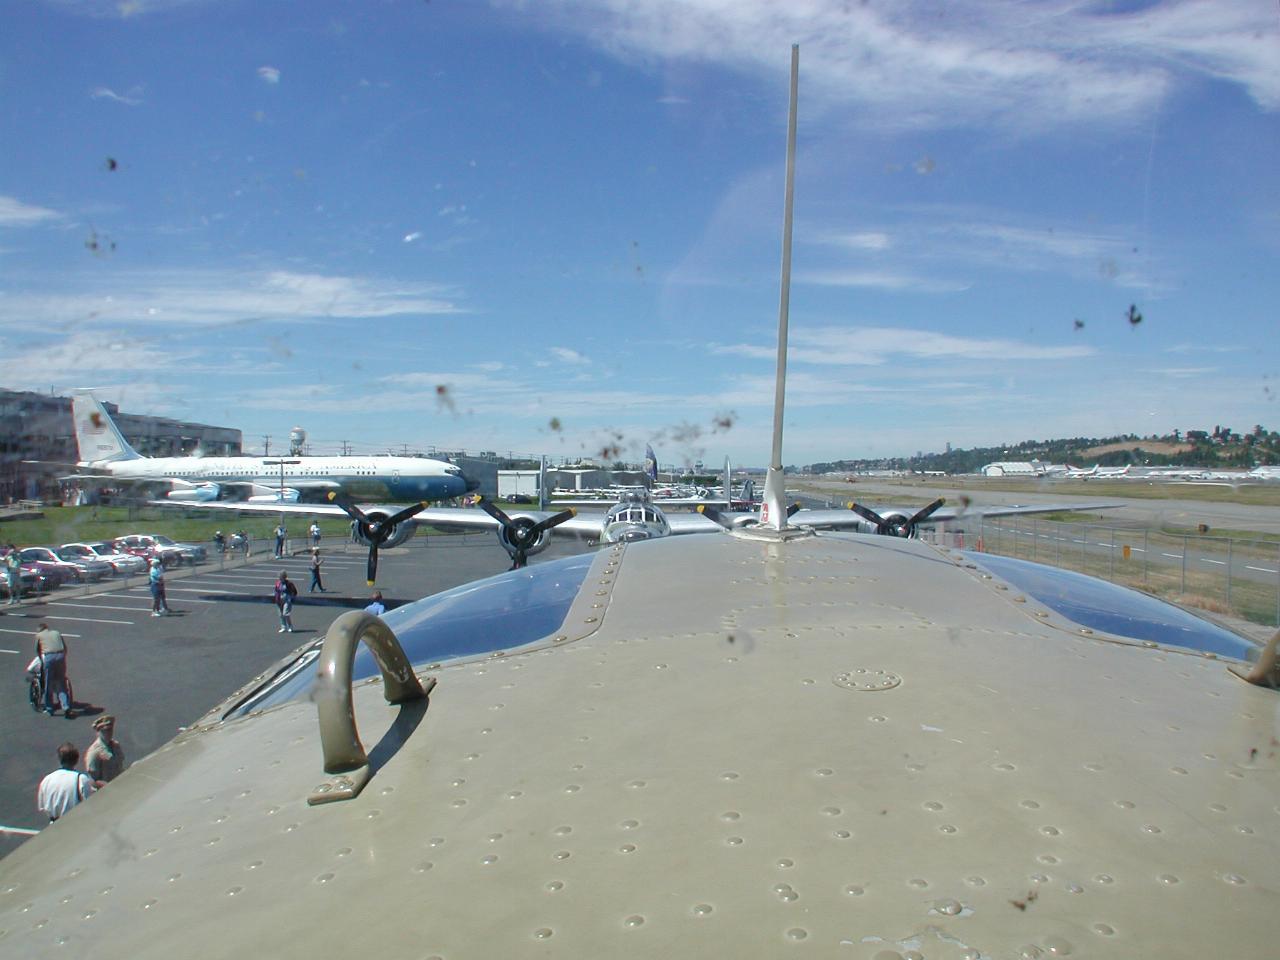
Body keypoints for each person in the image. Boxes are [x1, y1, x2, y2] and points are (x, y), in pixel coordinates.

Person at [37, 742, 94, 822]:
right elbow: (89, 805)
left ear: (59, 759)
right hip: (74, 825)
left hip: (53, 827)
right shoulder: (81, 779)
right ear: (76, 760)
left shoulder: (47, 780)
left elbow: (42, 807)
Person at [36, 622, 73, 717]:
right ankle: (66, 706)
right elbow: (65, 647)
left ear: (39, 630)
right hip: (60, 656)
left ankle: (49, 708)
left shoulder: (39, 636)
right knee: (61, 683)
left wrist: (41, 661)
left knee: (48, 683)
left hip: (49, 658)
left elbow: (38, 651)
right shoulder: (57, 632)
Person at [84, 715, 127, 787]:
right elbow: (93, 780)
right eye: (105, 730)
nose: (109, 733)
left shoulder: (116, 745)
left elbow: (120, 765)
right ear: (98, 731)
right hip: (106, 790)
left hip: (121, 784)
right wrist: (107, 786)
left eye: (110, 729)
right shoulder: (94, 751)